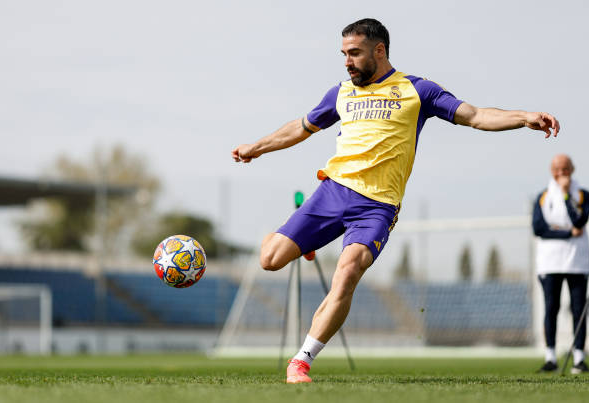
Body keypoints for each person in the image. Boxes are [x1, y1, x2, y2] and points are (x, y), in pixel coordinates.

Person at [232, 18, 560, 384]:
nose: (347, 61)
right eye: (343, 54)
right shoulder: (340, 93)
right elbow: (301, 126)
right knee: (269, 260)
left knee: (348, 272)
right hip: (333, 191)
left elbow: (477, 116)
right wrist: (255, 148)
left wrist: (524, 117)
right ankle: (304, 244)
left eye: (354, 53)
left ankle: (302, 361)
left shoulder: (418, 90)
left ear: (379, 50)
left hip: (377, 207)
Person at [532, 154, 589, 374]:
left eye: (565, 168)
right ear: (551, 170)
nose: (561, 172)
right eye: (557, 168)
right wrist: (567, 232)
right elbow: (539, 229)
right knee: (551, 308)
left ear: (572, 169)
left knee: (579, 310)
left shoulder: (583, 195)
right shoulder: (543, 196)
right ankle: (550, 357)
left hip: (577, 261)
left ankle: (579, 357)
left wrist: (567, 196)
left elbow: (579, 220)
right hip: (550, 262)